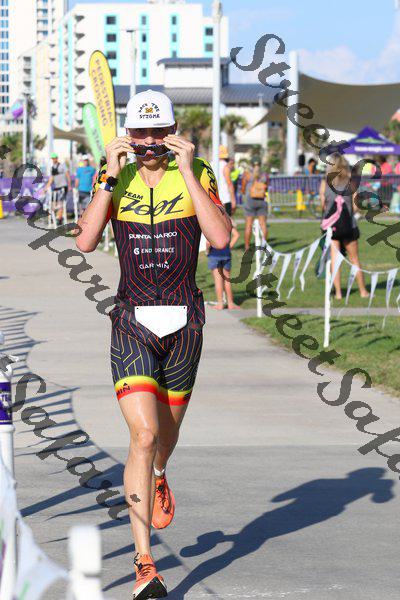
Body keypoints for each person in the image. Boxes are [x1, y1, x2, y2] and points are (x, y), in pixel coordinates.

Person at [75, 89, 231, 600]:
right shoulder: (113, 175)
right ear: (128, 134)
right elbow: (85, 241)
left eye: (156, 132)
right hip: (132, 321)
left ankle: (160, 471)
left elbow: (221, 238)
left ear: (171, 133)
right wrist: (106, 177)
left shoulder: (198, 172)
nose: (147, 143)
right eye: (139, 133)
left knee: (165, 436)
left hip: (185, 323)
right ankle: (145, 563)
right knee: (142, 436)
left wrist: (188, 171)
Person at [319, 154, 369, 300]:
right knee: (354, 259)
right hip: (348, 225)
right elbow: (356, 206)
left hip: (331, 226)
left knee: (335, 259)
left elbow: (323, 205)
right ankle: (363, 291)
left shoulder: (325, 182)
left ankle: (338, 293)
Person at [206, 216, 240, 310]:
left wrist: (207, 251)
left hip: (214, 255)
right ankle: (230, 303)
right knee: (227, 279)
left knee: (218, 280)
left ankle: (220, 304)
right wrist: (229, 246)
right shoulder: (227, 224)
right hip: (226, 254)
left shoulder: (212, 225)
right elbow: (236, 235)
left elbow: (208, 242)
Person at [241, 163, 269, 250]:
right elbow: (266, 188)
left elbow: (243, 189)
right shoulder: (264, 176)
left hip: (250, 201)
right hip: (261, 201)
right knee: (263, 224)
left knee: (248, 225)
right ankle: (263, 245)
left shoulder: (247, 175)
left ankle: (247, 247)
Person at [42, 152, 71, 225]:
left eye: (55, 158)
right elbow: (51, 179)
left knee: (61, 202)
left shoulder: (62, 165)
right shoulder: (52, 168)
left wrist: (69, 185)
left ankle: (59, 218)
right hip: (57, 187)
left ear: (57, 158)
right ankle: (53, 217)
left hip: (63, 186)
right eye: (52, 158)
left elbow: (67, 174)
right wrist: (45, 188)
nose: (54, 159)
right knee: (53, 202)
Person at [218, 145, 236, 215]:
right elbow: (229, 184)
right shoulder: (226, 166)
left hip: (213, 197)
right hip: (225, 198)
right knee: (228, 220)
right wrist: (233, 200)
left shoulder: (210, 164)